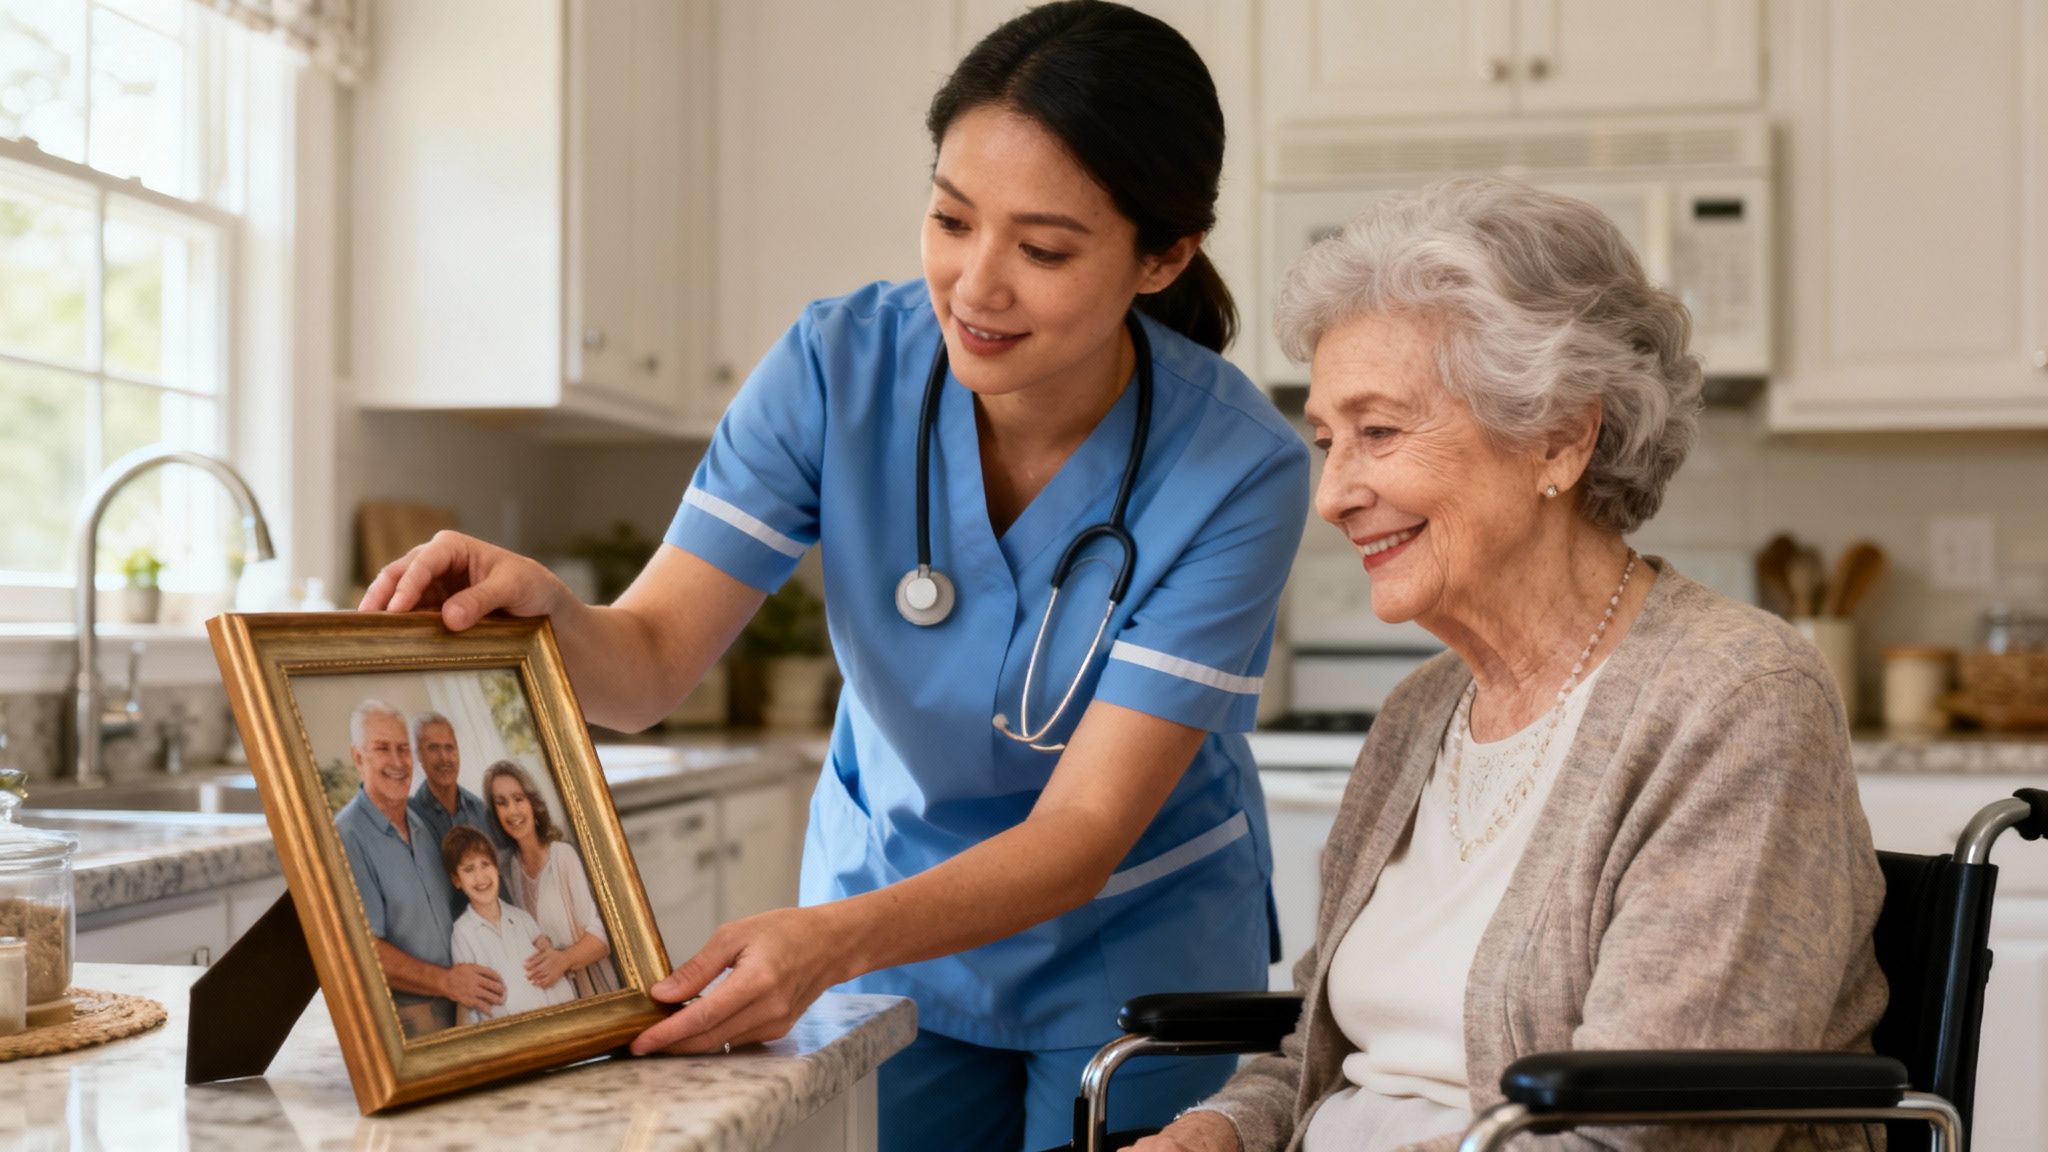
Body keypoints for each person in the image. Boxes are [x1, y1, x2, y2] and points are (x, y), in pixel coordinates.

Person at [358, 3, 1310, 1145]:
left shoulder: (1235, 465)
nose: (975, 285)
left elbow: (1086, 827)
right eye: (951, 218)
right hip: (887, 925)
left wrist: (831, 938)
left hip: (1130, 936)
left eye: (1043, 249)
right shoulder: (835, 368)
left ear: (1163, 256)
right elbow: (647, 668)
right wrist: (556, 615)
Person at [1136, 178, 1889, 1152]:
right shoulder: (1422, 712)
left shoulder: (1732, 698)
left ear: (1559, 437)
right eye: (1325, 440)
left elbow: (1652, 1128)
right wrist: (1217, 1133)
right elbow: (1323, 1053)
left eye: (1377, 432)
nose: (1331, 495)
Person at [333, 700, 506, 1037]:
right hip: (407, 1017)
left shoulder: (424, 828)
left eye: (402, 750)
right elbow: (363, 948)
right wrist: (446, 981)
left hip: (461, 1002)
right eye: (383, 749)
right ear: (358, 758)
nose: (397, 762)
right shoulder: (346, 836)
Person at [483, 761, 618, 998]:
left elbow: (603, 934)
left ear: (534, 803)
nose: (512, 811)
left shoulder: (562, 856)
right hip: (552, 998)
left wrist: (563, 960)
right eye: (502, 803)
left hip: (593, 991)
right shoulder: (509, 871)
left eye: (519, 799)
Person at [443, 825, 575, 1025]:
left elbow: (551, 976)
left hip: (552, 1026)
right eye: (469, 869)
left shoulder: (523, 919)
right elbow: (473, 1004)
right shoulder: (462, 934)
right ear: (456, 880)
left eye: (485, 864)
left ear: (496, 868)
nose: (481, 877)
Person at [407, 710, 507, 918]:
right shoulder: (410, 818)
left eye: (449, 748)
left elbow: (501, 879)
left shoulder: (482, 810)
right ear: (419, 755)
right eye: (433, 748)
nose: (444, 758)